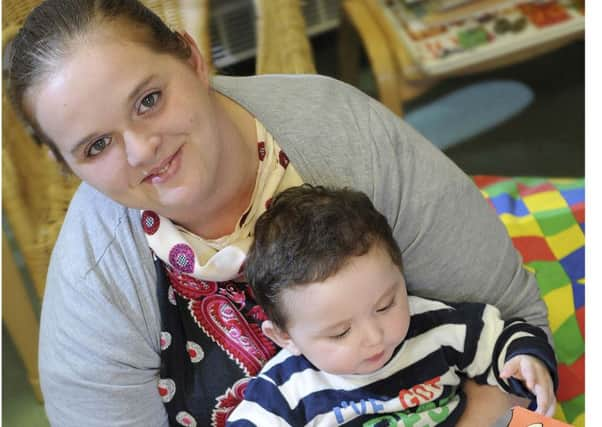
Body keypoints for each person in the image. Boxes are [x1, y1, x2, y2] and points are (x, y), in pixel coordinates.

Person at [7, 0, 552, 426]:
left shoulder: (343, 134)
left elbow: (513, 319)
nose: (142, 149)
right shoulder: (95, 287)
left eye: (148, 99)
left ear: (193, 60)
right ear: (65, 164)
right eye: (96, 146)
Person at [227, 184, 558, 426]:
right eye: (340, 332)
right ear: (286, 337)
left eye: (385, 305)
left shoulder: (438, 327)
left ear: (401, 275)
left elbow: (505, 340)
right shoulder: (285, 391)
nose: (374, 336)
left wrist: (526, 359)